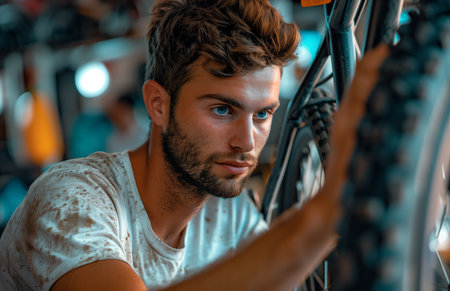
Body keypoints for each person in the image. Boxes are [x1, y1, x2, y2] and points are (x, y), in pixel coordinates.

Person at [0, 0, 389, 290]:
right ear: (158, 104)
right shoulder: (72, 200)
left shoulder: (230, 215)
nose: (246, 142)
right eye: (222, 109)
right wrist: (329, 210)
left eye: (263, 114)